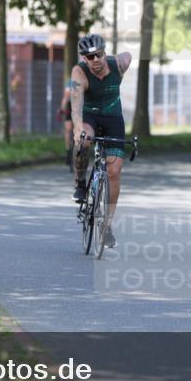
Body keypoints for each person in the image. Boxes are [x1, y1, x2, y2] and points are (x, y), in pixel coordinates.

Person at [70, 33, 132, 248]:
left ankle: (107, 226)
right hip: (90, 116)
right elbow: (76, 106)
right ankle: (80, 182)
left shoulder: (119, 65)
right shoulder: (79, 73)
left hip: (113, 117)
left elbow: (128, 54)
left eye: (98, 54)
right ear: (84, 58)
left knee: (114, 170)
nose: (95, 59)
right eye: (89, 57)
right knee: (83, 141)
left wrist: (112, 58)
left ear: (104, 53)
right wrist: (78, 128)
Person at [57, 83, 73, 167]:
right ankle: (69, 151)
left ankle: (69, 151)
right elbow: (65, 98)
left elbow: (65, 98)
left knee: (69, 130)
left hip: (76, 106)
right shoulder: (70, 83)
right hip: (73, 106)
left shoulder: (70, 83)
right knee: (68, 129)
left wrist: (62, 110)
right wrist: (62, 109)